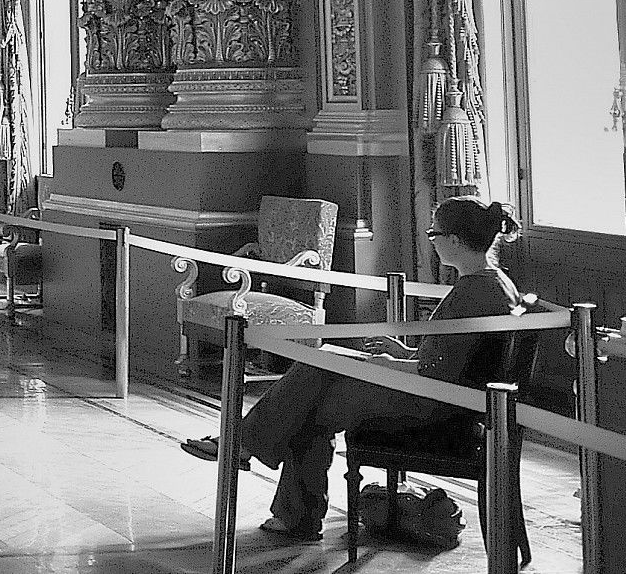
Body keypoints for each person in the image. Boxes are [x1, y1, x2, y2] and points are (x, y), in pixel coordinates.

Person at [181, 197, 525, 541]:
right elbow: (456, 358)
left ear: (454, 240)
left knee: (308, 404)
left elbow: (440, 372)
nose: (431, 241)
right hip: (441, 397)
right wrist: (403, 353)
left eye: (434, 234)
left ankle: (265, 473)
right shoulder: (493, 283)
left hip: (435, 406)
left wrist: (392, 364)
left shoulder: (472, 291)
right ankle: (266, 474)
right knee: (318, 376)